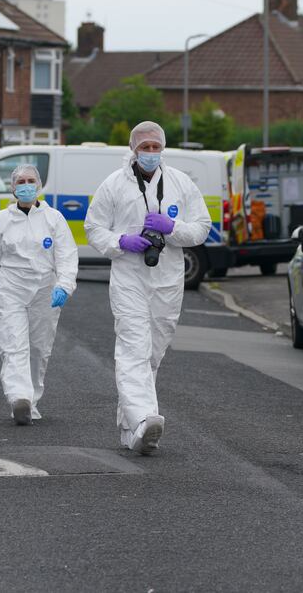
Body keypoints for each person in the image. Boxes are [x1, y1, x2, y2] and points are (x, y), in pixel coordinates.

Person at [84, 121, 211, 454]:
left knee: (153, 353)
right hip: (129, 277)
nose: (151, 153)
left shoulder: (181, 184)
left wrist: (173, 228)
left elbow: (201, 229)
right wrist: (121, 241)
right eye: (145, 147)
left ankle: (131, 429)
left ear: (163, 148)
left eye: (156, 147)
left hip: (168, 280)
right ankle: (145, 417)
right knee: (133, 348)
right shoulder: (113, 185)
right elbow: (93, 228)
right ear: (133, 149)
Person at [0, 163, 78, 425]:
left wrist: (64, 285)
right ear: (13, 187)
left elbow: (67, 255)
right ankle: (19, 397)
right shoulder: (1, 220)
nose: (26, 186)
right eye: (21, 182)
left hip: (45, 290)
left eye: (31, 180)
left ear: (39, 185)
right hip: (11, 289)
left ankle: (32, 401)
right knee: (13, 344)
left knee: (39, 349)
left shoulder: (54, 219)